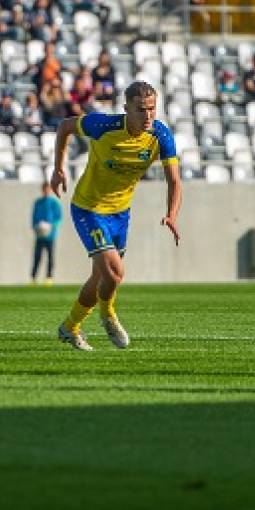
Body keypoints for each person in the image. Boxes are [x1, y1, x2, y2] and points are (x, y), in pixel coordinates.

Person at [51, 81, 181, 350]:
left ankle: (69, 327)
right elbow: (65, 126)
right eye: (141, 110)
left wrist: (171, 214)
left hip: (121, 213)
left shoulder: (161, 136)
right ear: (126, 109)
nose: (147, 116)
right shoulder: (103, 125)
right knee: (114, 272)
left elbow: (175, 181)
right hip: (89, 208)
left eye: (152, 110)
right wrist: (58, 169)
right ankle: (108, 315)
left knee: (101, 278)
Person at [31, 182, 63, 286]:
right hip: (40, 235)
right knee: (37, 257)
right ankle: (33, 278)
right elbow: (34, 216)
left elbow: (59, 217)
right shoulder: (38, 202)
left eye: (48, 189)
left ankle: (49, 278)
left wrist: (51, 225)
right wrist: (35, 226)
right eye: (44, 189)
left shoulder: (54, 202)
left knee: (50, 257)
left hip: (51, 235)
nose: (46, 191)